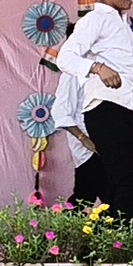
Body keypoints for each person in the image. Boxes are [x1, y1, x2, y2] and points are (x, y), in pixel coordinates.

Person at [53, 0, 133, 223]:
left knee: (122, 183)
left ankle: (123, 240)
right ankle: (129, 242)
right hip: (105, 107)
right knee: (122, 184)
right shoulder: (95, 18)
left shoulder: (122, 24)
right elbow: (65, 58)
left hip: (121, 108)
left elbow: (125, 71)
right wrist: (97, 68)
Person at [50, 68, 100, 207]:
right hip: (88, 145)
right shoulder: (73, 72)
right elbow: (60, 112)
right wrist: (83, 138)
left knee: (86, 195)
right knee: (92, 195)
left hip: (106, 140)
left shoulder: (107, 68)